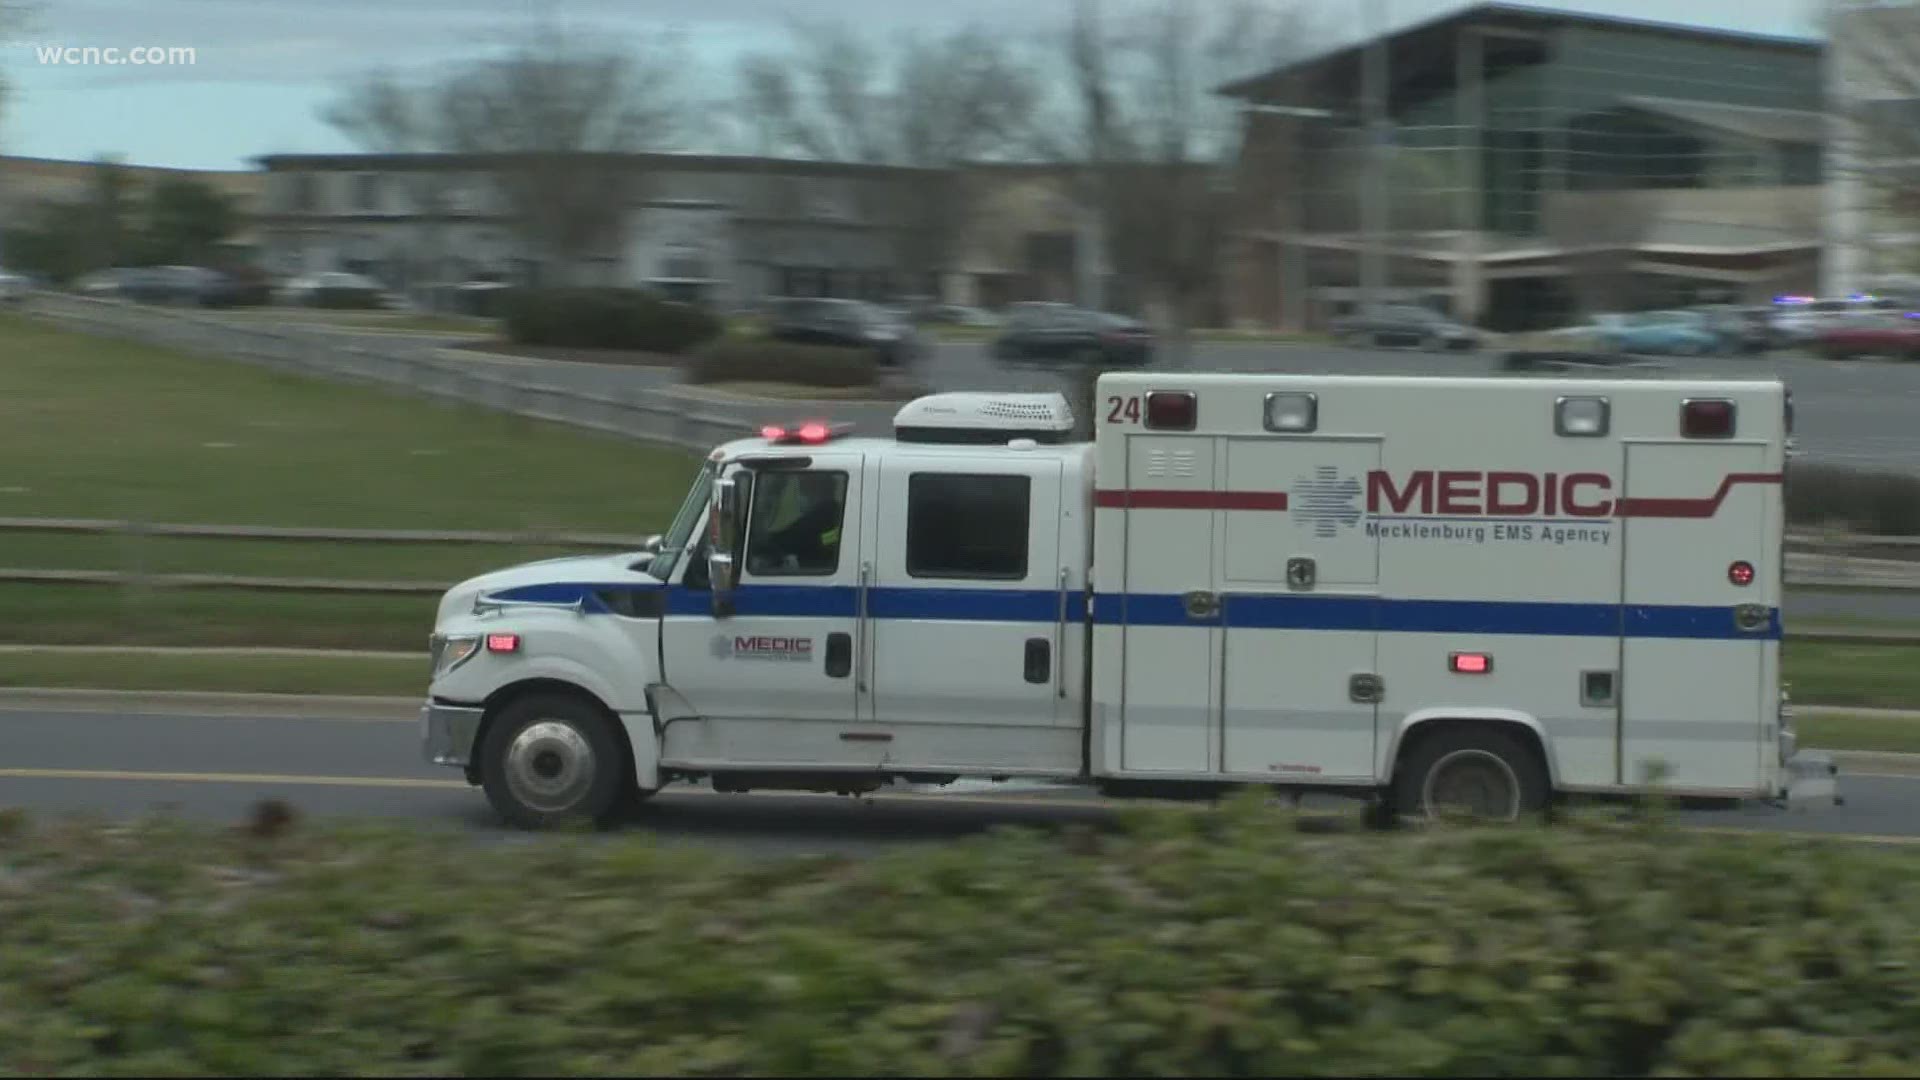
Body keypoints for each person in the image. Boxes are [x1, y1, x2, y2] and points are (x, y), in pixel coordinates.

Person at [754, 472, 843, 574]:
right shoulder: (837, 510)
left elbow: (791, 538)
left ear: (816, 487)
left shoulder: (819, 515)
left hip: (816, 572)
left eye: (803, 487)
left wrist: (761, 541)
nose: (801, 492)